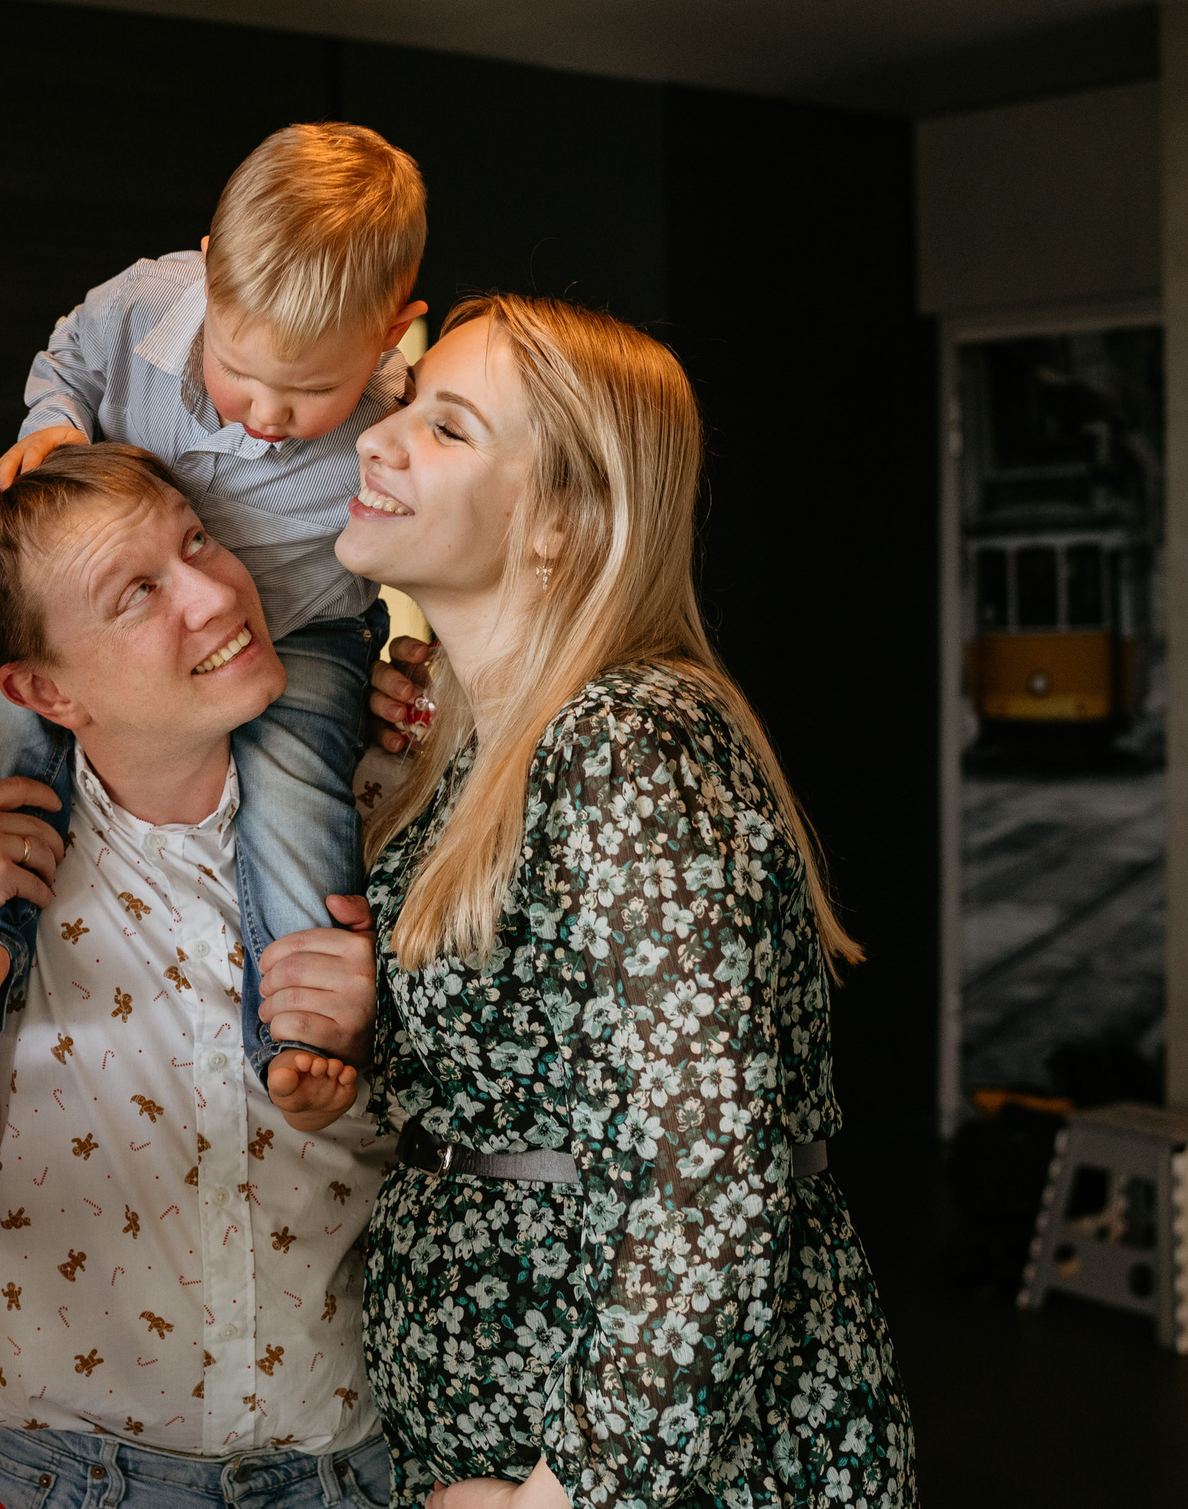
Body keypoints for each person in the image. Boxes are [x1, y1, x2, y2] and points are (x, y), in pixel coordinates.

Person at [338, 296, 916, 1509]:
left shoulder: (625, 738)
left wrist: (564, 1496)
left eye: (447, 429)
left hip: (638, 1475)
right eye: (403, 408)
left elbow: (711, 1175)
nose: (376, 441)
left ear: (558, 519)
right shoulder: (465, 747)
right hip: (496, 1445)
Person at [0, 445, 393, 1509]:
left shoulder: (389, 797)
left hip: (344, 1467)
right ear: (43, 689)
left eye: (196, 541)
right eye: (136, 593)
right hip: (44, 1465)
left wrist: (383, 1040)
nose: (216, 592)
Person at [0, 123, 430, 1120]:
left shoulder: (388, 431)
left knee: (296, 791)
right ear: (208, 280)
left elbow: (446, 547)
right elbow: (67, 359)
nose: (264, 414)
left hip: (303, 636)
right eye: (241, 372)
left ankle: (295, 1022)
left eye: (308, 395)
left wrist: (440, 663)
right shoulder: (140, 308)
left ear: (388, 333)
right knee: (5, 699)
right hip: (132, 642)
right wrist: (54, 430)